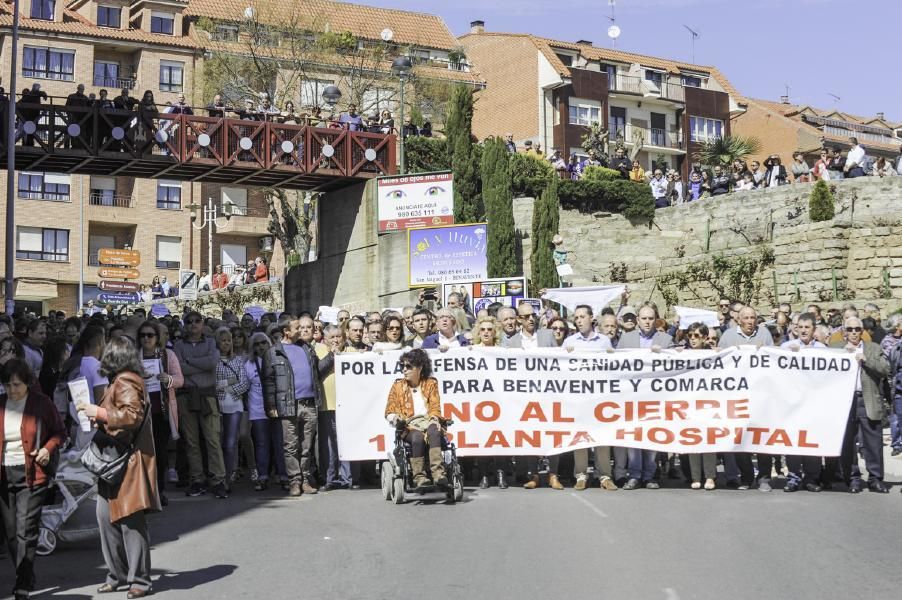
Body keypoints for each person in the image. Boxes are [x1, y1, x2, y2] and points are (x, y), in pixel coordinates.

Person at [76, 337, 158, 599]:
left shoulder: (125, 380)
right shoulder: (122, 379)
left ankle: (139, 580)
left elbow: (131, 417)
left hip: (124, 462)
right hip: (115, 460)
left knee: (129, 521)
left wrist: (98, 414)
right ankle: (119, 575)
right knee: (107, 518)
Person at [1, 360, 66, 600]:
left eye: (16, 384)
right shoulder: (1, 403)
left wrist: (48, 449)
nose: (12, 390)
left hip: (33, 472)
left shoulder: (42, 404)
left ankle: (23, 582)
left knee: (26, 530)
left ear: (27, 383)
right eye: (7, 385)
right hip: (4, 473)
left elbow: (60, 432)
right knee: (10, 532)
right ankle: (24, 573)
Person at [262, 315, 326, 496]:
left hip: (310, 404)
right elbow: (268, 382)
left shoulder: (306, 348)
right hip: (288, 405)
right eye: (297, 327)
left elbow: (317, 371)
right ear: (286, 331)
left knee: (307, 446)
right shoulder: (274, 352)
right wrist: (271, 406)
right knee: (290, 446)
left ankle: (305, 480)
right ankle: (294, 481)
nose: (302, 330)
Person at [173, 311, 227, 499]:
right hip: (186, 396)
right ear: (185, 325)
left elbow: (212, 362)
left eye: (197, 321)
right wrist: (199, 365)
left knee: (212, 439)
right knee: (191, 441)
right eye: (189, 322)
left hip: (207, 395)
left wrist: (190, 362)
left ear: (202, 324)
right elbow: (179, 368)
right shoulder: (178, 346)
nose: (193, 324)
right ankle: (197, 479)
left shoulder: (211, 342)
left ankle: (218, 479)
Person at [839, 317, 890, 493]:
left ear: (862, 331)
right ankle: (852, 478)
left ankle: (875, 478)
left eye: (857, 329)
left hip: (867, 398)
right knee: (848, 442)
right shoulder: (836, 351)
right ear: (844, 331)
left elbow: (885, 369)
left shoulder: (873, 348)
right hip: (845, 401)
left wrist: (865, 359)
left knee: (873, 442)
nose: (853, 332)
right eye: (850, 329)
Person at [383, 349, 447, 489]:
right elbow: (389, 410)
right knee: (417, 437)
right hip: (408, 425)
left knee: (435, 431)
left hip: (428, 420)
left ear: (419, 368)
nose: (404, 370)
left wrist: (434, 418)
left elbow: (435, 405)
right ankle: (419, 476)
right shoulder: (398, 386)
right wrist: (395, 418)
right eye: (403, 366)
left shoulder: (431, 383)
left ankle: (438, 474)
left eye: (408, 367)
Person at [137, 321, 182, 506]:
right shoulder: (134, 357)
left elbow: (180, 380)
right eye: (143, 335)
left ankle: (159, 490)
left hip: (161, 411)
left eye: (150, 335)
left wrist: (168, 379)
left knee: (160, 454)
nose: (146, 338)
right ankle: (145, 492)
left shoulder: (167, 355)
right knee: (143, 455)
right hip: (140, 412)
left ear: (157, 338)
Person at [779, 313, 825, 492]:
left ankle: (811, 478)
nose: (804, 330)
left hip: (813, 403)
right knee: (793, 441)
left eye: (808, 327)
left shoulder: (822, 349)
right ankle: (793, 477)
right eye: (801, 327)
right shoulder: (785, 347)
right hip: (793, 403)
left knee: (811, 441)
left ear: (814, 329)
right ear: (795, 328)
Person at [245, 333, 288, 491]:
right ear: (252, 347)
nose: (261, 346)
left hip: (277, 408)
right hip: (257, 409)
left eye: (264, 342)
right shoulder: (249, 364)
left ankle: (283, 475)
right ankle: (263, 476)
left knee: (279, 443)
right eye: (257, 344)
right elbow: (246, 386)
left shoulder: (277, 358)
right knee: (262, 444)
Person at [679, 323, 717, 490]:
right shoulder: (682, 354)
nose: (693, 339)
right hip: (689, 403)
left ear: (704, 337)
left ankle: (709, 476)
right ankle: (696, 477)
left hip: (708, 402)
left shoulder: (715, 355)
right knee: (693, 440)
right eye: (690, 335)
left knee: (708, 440)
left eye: (696, 336)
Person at [316, 325, 351, 490]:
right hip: (327, 404)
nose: (336, 340)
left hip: (347, 405)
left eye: (339, 337)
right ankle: (329, 478)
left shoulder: (351, 352)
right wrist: (332, 356)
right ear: (325, 339)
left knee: (346, 441)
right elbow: (318, 371)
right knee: (329, 443)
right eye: (333, 337)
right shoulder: (319, 351)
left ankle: (347, 478)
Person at [214, 328, 249, 488]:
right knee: (218, 442)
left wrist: (228, 387)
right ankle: (219, 475)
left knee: (230, 443)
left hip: (235, 405)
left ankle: (229, 475)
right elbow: (213, 383)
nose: (227, 343)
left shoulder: (238, 361)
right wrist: (228, 382)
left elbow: (244, 383)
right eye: (223, 340)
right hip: (217, 405)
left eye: (229, 340)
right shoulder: (213, 360)